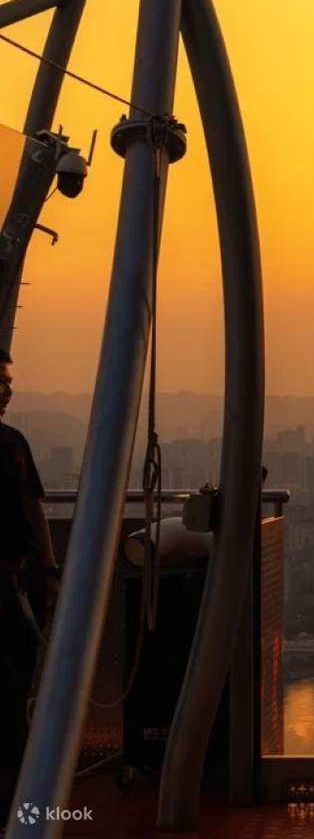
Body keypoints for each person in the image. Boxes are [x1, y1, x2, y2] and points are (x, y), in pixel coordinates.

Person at [0, 349, 59, 817]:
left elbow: (35, 510)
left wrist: (50, 571)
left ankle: (13, 799)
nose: (7, 390)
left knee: (15, 690)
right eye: (0, 381)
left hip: (15, 585)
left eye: (8, 381)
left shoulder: (14, 443)